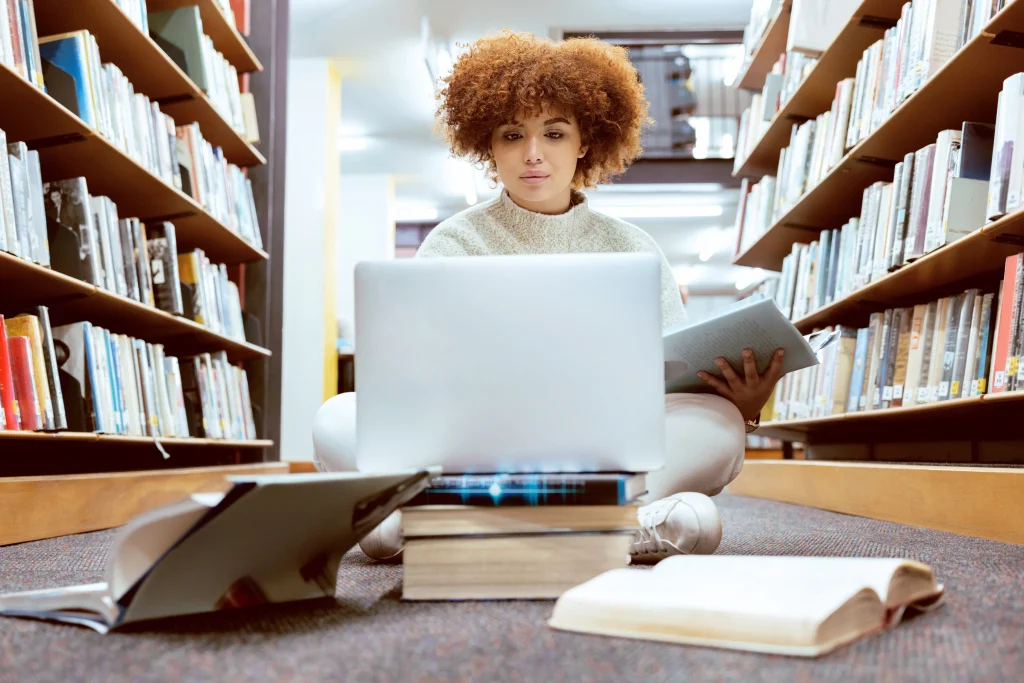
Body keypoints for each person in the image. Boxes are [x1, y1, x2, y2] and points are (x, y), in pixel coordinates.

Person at [313, 31, 783, 563]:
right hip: (473, 452)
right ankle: (618, 526)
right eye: (512, 135)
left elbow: (673, 381)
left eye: (554, 133)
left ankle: (441, 524)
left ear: (585, 141)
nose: (533, 154)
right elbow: (410, 381)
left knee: (717, 429)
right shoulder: (452, 242)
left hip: (604, 455)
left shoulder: (633, 247)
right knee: (335, 417)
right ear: (488, 145)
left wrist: (739, 408)